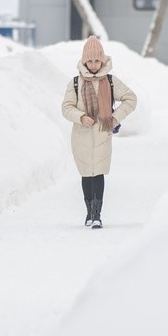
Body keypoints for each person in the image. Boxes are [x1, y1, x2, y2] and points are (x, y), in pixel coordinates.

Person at [60, 36, 137, 229]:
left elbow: (131, 99)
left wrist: (114, 118)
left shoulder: (110, 81)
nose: (93, 65)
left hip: (103, 135)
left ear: (102, 61)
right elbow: (66, 107)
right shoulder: (76, 83)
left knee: (99, 173)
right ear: (84, 61)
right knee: (87, 174)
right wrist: (80, 117)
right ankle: (88, 213)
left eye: (97, 60)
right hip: (81, 136)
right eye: (90, 61)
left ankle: (97, 215)